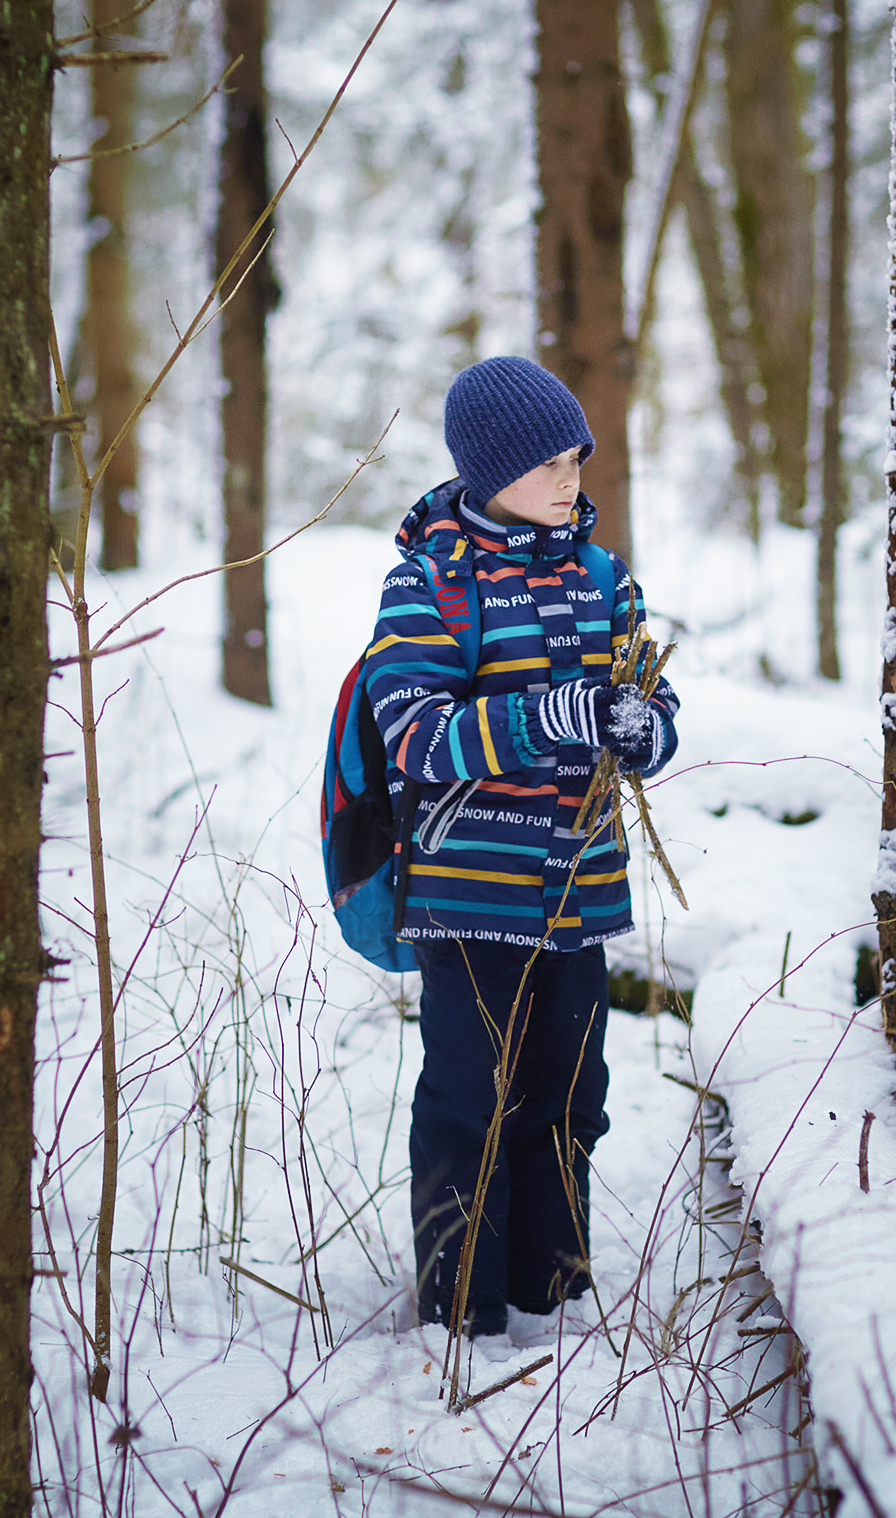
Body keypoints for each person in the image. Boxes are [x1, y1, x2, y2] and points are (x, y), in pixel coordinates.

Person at [361, 355, 680, 1335]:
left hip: (579, 892)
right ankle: (461, 1308)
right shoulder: (429, 582)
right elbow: (415, 737)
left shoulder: (604, 580)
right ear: (490, 468)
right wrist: (552, 716)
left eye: (576, 459)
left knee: (571, 1094)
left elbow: (654, 703)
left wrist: (645, 731)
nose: (569, 479)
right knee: (470, 1100)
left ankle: (552, 1293)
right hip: (468, 895)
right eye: (547, 463)